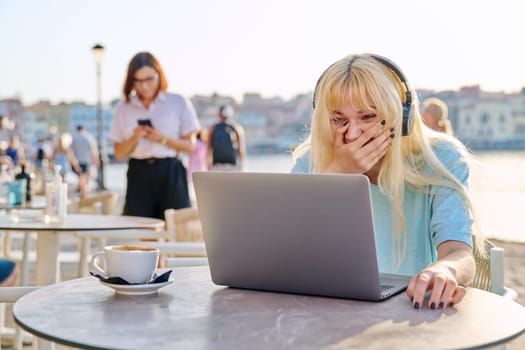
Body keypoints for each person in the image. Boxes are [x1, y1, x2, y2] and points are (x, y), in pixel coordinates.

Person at [291, 53, 483, 310]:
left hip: (406, 312)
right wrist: (333, 177)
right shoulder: (310, 163)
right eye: (340, 120)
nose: (353, 133)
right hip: (326, 310)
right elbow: (288, 253)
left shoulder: (443, 158)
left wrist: (445, 270)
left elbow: (458, 253)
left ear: (401, 116)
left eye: (368, 117)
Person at [108, 51, 200, 219]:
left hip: (171, 171)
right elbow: (119, 153)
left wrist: (162, 139)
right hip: (139, 172)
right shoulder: (123, 108)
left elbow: (190, 145)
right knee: (141, 231)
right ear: (131, 81)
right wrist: (134, 138)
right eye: (138, 81)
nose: (144, 86)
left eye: (149, 79)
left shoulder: (177, 102)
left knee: (175, 229)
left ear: (159, 75)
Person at [207, 105, 246, 171]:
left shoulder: (213, 128)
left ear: (219, 114)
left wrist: (208, 165)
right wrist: (241, 165)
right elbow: (241, 149)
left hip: (217, 165)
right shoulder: (236, 128)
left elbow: (209, 148)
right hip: (232, 165)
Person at [71, 125, 99, 198]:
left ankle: (82, 191)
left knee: (81, 177)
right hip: (86, 160)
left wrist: (73, 161)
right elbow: (93, 150)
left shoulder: (74, 138)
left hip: (77, 160)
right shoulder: (88, 137)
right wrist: (96, 160)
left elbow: (71, 150)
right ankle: (84, 192)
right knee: (85, 176)